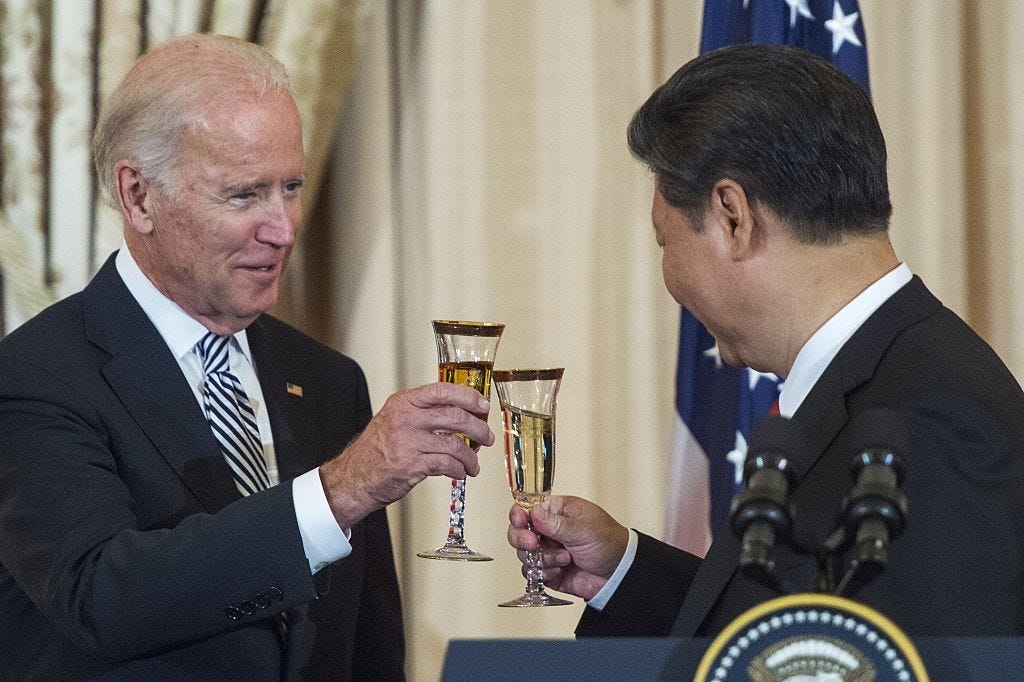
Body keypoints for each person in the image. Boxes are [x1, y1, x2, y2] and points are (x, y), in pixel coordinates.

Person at [0, 34, 493, 679]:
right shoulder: (39, 375)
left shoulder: (328, 380)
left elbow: (370, 647)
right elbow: (101, 598)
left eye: (290, 187)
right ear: (138, 196)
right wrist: (339, 490)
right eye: (243, 195)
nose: (284, 227)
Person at [508, 43, 1024, 637]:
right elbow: (799, 637)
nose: (668, 276)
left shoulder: (934, 423)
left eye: (664, 241)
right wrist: (624, 570)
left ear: (733, 216)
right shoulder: (882, 372)